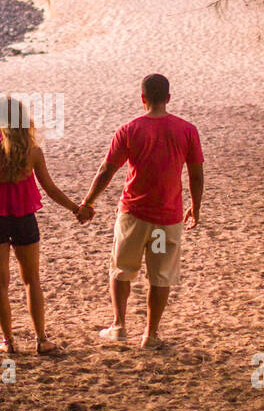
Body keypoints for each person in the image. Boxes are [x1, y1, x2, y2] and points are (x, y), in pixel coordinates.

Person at [76, 74, 203, 348]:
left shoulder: (129, 130)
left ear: (142, 98)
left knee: (122, 269)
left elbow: (107, 170)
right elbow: (196, 174)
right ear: (168, 98)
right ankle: (151, 334)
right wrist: (196, 206)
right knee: (160, 274)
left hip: (133, 214)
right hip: (167, 218)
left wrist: (88, 201)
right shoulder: (187, 130)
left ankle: (119, 325)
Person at [0, 96, 84, 354]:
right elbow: (50, 188)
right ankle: (41, 339)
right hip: (24, 220)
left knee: (0, 283)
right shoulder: (33, 153)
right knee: (32, 280)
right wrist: (75, 208)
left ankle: (8, 342)